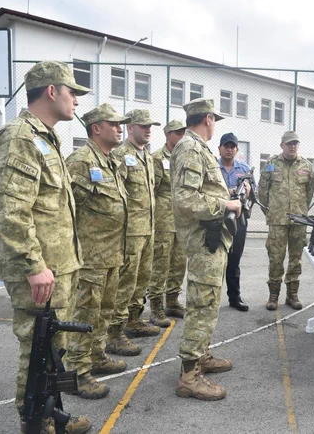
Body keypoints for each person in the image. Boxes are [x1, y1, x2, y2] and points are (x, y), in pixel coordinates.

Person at [0, 60, 92, 433]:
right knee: (36, 349)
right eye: (73, 93)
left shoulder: (46, 138)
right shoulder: (19, 138)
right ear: (52, 91)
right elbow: (11, 212)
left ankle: (50, 416)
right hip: (38, 270)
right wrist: (33, 265)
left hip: (56, 267)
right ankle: (33, 422)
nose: (77, 101)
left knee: (52, 347)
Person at [171, 98, 241, 401]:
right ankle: (190, 377)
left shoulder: (198, 148)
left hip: (212, 239)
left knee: (209, 303)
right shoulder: (189, 148)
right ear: (209, 118)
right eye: (216, 120)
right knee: (202, 305)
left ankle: (202, 356)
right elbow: (185, 199)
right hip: (203, 241)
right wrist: (225, 203)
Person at [65, 104, 130, 400]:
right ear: (96, 128)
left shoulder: (111, 161)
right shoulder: (80, 161)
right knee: (86, 313)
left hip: (112, 254)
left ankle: (97, 356)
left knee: (103, 312)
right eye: (113, 123)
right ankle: (78, 374)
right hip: (90, 258)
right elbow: (67, 211)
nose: (120, 128)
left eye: (121, 124)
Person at [107, 109, 160, 356]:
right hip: (130, 233)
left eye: (150, 126)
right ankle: (114, 334)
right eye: (143, 125)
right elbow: (116, 195)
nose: (148, 129)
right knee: (125, 283)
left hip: (148, 229)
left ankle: (134, 320)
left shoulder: (146, 156)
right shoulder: (121, 155)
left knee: (142, 279)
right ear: (130, 127)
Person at [259, 131, 314, 311]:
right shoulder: (271, 165)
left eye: (295, 143)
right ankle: (273, 296)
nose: (292, 146)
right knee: (275, 258)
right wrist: (272, 212)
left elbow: (309, 192)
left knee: (296, 258)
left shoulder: (306, 166)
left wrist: (301, 211)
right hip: (277, 220)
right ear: (282, 145)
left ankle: (292, 295)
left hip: (299, 220)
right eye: (289, 143)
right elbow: (263, 192)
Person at [146, 119, 188, 327]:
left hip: (182, 220)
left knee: (179, 262)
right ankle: (155, 307)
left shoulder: (186, 158)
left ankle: (172, 301)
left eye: (183, 133)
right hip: (163, 220)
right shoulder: (156, 158)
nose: (181, 137)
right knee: (160, 263)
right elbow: (150, 191)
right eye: (177, 133)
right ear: (168, 135)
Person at [218, 132, 252, 312]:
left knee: (234, 260)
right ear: (220, 148)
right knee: (215, 260)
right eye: (226, 146)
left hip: (238, 220)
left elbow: (255, 191)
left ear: (237, 149)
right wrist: (229, 192)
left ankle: (234, 297)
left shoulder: (244, 168)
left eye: (232, 147)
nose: (229, 150)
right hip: (217, 219)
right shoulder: (213, 167)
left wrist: (248, 189)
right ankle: (212, 299)